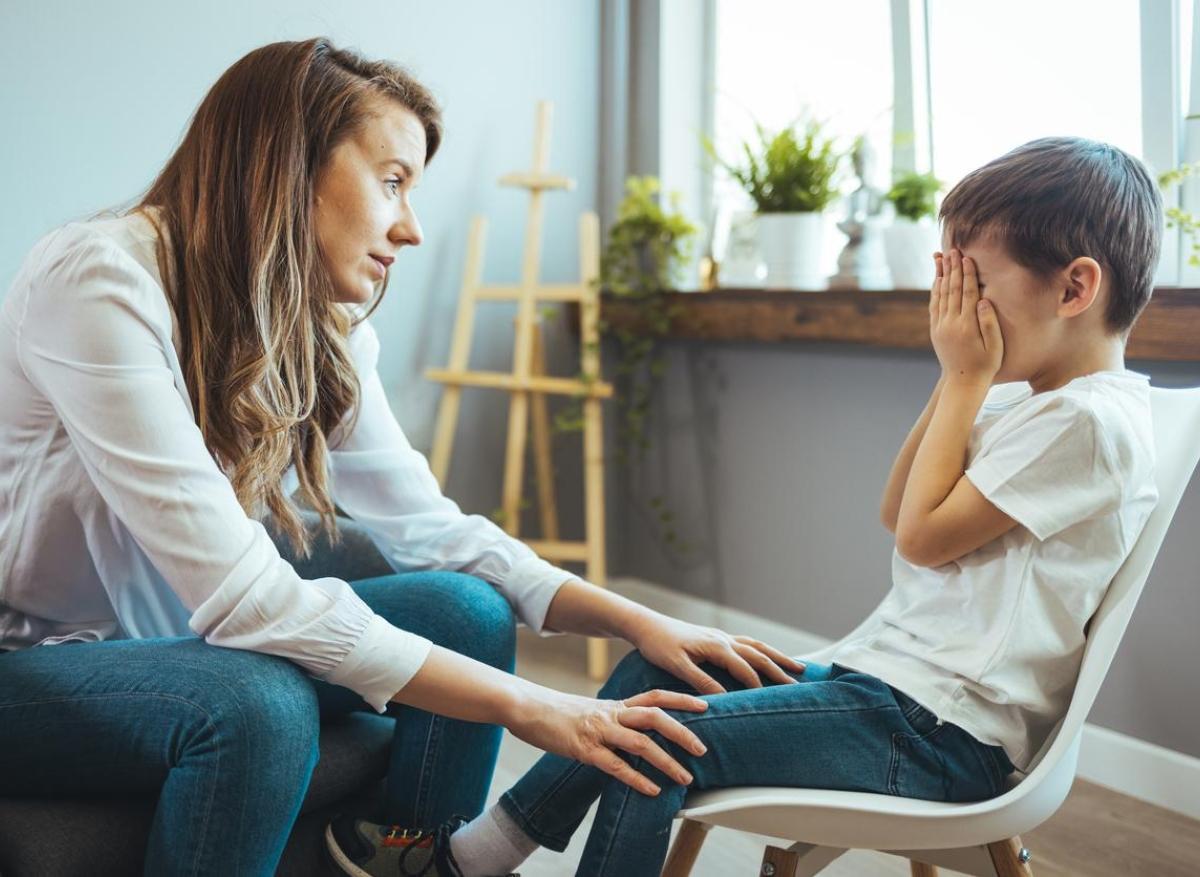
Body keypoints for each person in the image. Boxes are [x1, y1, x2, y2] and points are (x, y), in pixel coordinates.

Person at [0, 38, 801, 877]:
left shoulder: (321, 329)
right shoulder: (98, 281)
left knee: (468, 608)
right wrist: (540, 709)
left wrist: (642, 620)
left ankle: (409, 863)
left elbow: (435, 531)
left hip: (171, 641)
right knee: (259, 706)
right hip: (36, 666)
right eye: (392, 181)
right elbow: (247, 601)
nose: (411, 228)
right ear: (287, 161)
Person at [359, 137, 1161, 876]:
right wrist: (961, 379)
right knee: (657, 668)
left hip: (943, 734)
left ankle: (464, 863)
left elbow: (920, 538)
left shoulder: (1090, 422)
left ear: (1076, 287)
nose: (956, 309)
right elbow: (898, 506)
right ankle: (480, 855)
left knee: (658, 740)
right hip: (884, 690)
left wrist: (962, 381)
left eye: (973, 283)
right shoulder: (1023, 401)